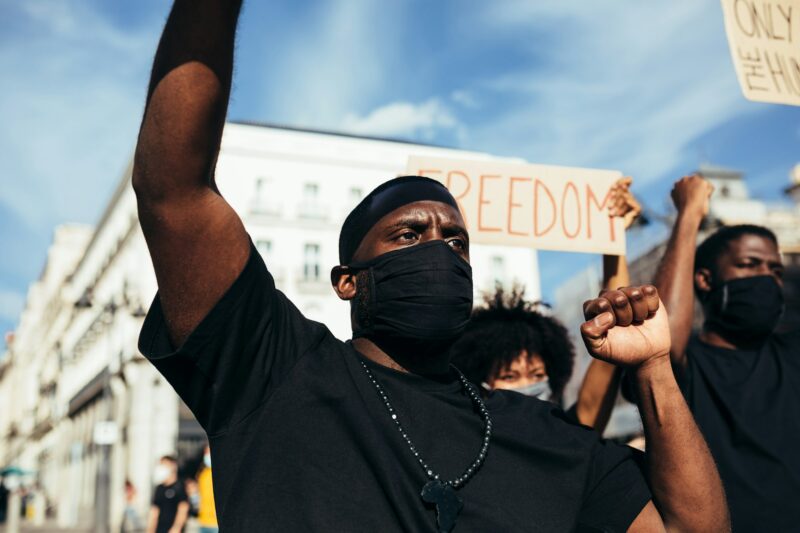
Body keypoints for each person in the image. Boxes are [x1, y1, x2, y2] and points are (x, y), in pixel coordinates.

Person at [132, 1, 728, 530]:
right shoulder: (277, 373)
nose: (440, 249)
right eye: (409, 233)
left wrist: (653, 368)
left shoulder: (541, 436)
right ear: (347, 282)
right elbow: (174, 192)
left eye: (457, 241)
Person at [655, 174, 800, 532]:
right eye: (750, 265)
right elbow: (661, 339)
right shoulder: (686, 367)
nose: (767, 278)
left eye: (776, 270)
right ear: (704, 280)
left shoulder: (792, 353)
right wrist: (689, 215)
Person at [450, 179, 641, 433]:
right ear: (480, 385)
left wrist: (613, 238)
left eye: (538, 375)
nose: (528, 386)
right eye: (509, 377)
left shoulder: (568, 437)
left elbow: (612, 331)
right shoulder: (462, 447)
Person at [146, 456, 189, 533]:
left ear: (173, 466)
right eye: (161, 465)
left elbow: (183, 509)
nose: (162, 468)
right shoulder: (159, 488)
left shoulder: (179, 487)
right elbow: (154, 510)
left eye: (165, 464)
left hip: (173, 530)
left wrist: (176, 528)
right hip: (159, 529)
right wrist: (150, 529)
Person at [196, 446, 218, 533]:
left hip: (215, 523)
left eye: (209, 452)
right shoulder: (202, 473)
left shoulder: (220, 472)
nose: (207, 455)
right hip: (203, 521)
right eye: (206, 453)